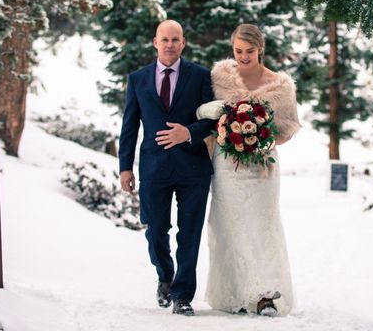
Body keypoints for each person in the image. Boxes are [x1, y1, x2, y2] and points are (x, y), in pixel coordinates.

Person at [198, 24, 301, 316]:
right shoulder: (219, 78)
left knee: (263, 226)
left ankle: (266, 295)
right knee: (230, 225)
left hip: (262, 169)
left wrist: (260, 142)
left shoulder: (281, 87)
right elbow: (207, 117)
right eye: (238, 51)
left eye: (250, 51)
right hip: (227, 167)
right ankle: (236, 293)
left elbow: (288, 129)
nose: (243, 57)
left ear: (261, 49)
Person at [119, 20, 216, 317]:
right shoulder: (138, 79)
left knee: (190, 234)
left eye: (175, 39)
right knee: (156, 229)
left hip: (193, 167)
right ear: (155, 42)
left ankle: (182, 295)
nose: (170, 44)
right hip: (153, 167)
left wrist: (187, 133)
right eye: (165, 39)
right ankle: (165, 276)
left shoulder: (201, 76)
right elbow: (129, 126)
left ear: (183, 42)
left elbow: (213, 119)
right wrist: (125, 167)